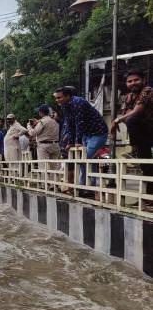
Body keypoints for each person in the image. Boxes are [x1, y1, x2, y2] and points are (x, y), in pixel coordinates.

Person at [111, 69, 153, 207]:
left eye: (136, 80)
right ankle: (149, 198)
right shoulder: (129, 97)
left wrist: (116, 121)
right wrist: (122, 118)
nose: (133, 83)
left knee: (132, 119)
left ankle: (134, 149)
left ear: (143, 80)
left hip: (149, 127)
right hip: (144, 134)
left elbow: (135, 112)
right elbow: (126, 114)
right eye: (129, 81)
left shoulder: (148, 90)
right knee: (146, 165)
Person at [54, 86, 108, 193]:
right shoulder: (64, 106)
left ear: (68, 96)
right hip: (86, 134)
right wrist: (70, 142)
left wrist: (77, 142)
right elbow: (70, 125)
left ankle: (82, 187)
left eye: (59, 98)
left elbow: (79, 123)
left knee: (83, 159)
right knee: (89, 161)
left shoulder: (78, 102)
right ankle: (91, 188)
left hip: (98, 133)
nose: (57, 100)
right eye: (56, 98)